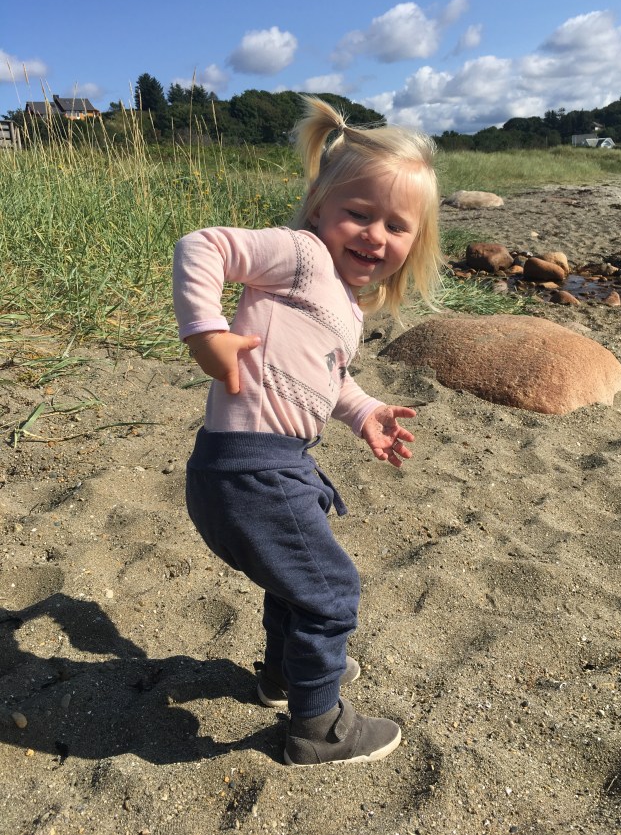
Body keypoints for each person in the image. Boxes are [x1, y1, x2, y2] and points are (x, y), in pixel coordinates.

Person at [172, 96, 442, 766]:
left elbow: (326, 377)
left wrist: (365, 410)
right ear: (319, 206)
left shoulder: (343, 304)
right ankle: (318, 727)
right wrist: (205, 331)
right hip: (254, 471)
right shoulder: (301, 255)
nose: (375, 235)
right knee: (331, 591)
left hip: (260, 468)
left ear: (414, 242)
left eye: (396, 225)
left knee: (293, 581)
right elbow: (202, 245)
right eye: (360, 213)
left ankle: (282, 674)